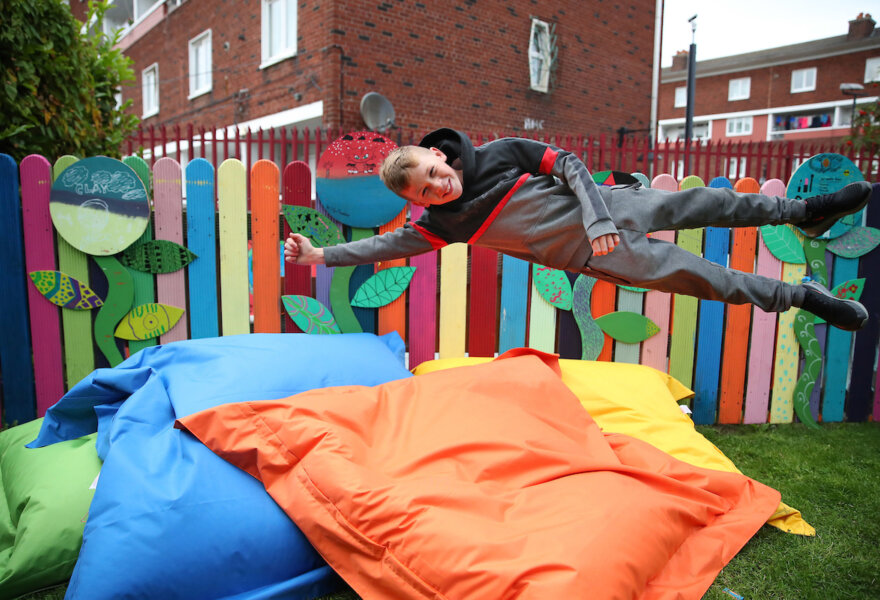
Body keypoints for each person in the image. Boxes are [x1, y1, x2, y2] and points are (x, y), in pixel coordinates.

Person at [285, 128, 872, 331]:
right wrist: (318, 256)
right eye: (423, 190)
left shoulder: (498, 155)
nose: (438, 186)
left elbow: (567, 164)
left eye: (436, 172)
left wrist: (598, 221)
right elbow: (384, 244)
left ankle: (806, 210)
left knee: (711, 202)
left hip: (615, 210)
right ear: (414, 201)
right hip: (603, 259)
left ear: (442, 157)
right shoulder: (447, 225)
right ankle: (802, 298)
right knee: (707, 278)